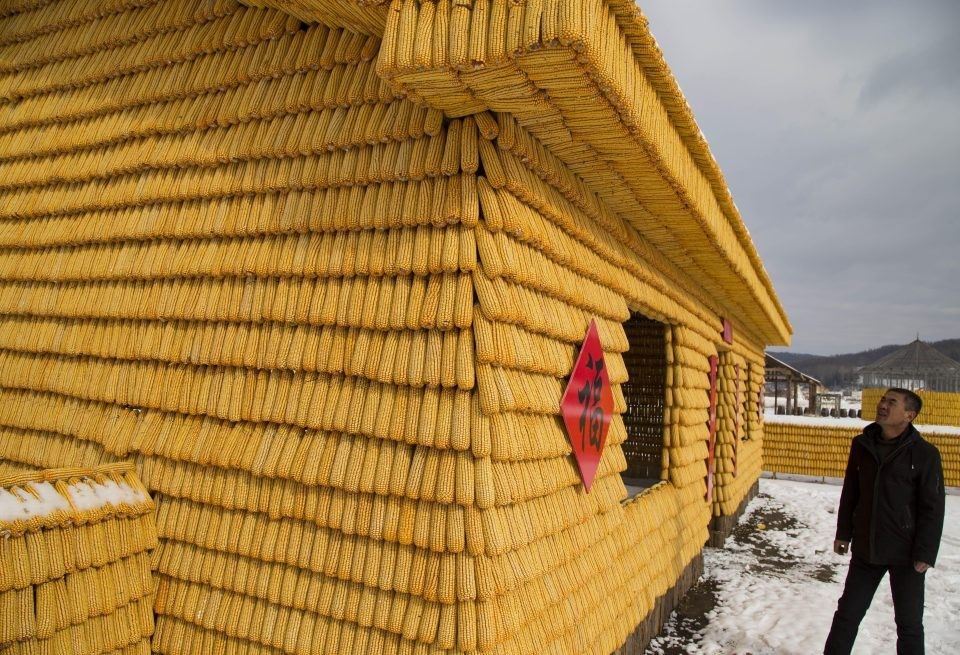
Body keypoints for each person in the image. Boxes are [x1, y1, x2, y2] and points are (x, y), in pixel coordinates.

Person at [824, 388, 945, 654]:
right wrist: (844, 532)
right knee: (847, 615)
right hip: (867, 547)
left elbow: (933, 508)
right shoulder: (862, 445)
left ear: (909, 415)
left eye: (892, 402)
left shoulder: (925, 454)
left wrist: (925, 552)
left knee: (909, 624)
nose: (883, 405)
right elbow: (851, 491)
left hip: (907, 554)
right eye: (883, 400)